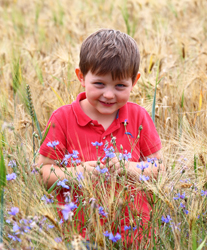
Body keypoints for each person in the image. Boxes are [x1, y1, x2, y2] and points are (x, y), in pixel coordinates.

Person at [37, 28, 164, 248]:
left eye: (120, 86)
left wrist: (130, 168)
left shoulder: (138, 117)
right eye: (99, 84)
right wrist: (77, 173)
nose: (108, 94)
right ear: (81, 77)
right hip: (78, 235)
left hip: (133, 234)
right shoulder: (63, 118)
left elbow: (160, 168)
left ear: (135, 82)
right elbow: (41, 172)